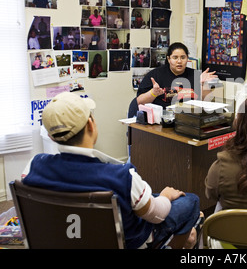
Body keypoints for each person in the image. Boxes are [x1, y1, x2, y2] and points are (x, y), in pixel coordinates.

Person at [21, 92, 202, 249]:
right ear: (91, 125)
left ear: (52, 137)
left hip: (68, 235)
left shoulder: (33, 166)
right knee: (190, 200)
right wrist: (166, 196)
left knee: (145, 197)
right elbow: (157, 215)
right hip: (130, 241)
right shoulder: (123, 176)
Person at [137, 42, 217, 108]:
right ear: (169, 59)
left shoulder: (196, 75)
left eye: (183, 57)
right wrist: (153, 93)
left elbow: (208, 102)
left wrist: (202, 84)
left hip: (189, 118)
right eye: (175, 58)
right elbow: (139, 101)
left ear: (187, 58)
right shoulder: (155, 75)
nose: (179, 61)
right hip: (163, 120)